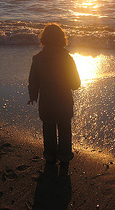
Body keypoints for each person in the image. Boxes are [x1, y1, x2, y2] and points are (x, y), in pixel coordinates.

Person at [28, 23, 81, 163]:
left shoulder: (37, 59)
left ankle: (50, 155)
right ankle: (64, 155)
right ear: (62, 39)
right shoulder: (67, 58)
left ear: (44, 38)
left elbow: (33, 81)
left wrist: (33, 96)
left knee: (48, 129)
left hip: (46, 102)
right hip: (64, 101)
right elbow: (76, 83)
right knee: (64, 129)